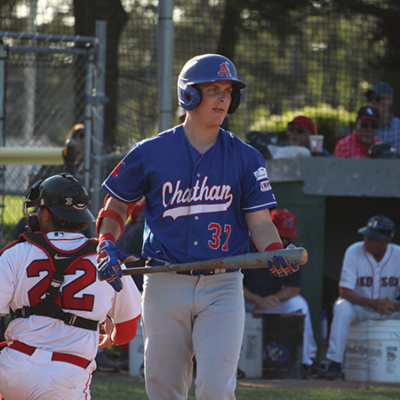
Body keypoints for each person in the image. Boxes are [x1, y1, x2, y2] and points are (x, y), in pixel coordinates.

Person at [95, 53, 299, 400]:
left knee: (216, 388)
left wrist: (274, 250)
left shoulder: (246, 157)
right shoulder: (152, 150)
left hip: (223, 283)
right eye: (213, 89)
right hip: (164, 281)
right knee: (162, 386)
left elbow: (260, 222)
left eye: (229, 91)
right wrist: (106, 242)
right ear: (188, 95)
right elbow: (116, 205)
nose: (223, 98)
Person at [0, 173, 141, 399]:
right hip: (65, 374)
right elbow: (127, 331)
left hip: (11, 368)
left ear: (45, 214)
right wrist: (107, 338)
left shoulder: (16, 252)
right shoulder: (105, 259)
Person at [242, 208, 318, 378]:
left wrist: (270, 299)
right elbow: (236, 284)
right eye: (280, 234)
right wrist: (257, 300)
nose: (283, 240)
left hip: (270, 301)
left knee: (299, 305)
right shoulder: (248, 244)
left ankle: (306, 362)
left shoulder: (291, 250)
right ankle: (236, 364)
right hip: (246, 300)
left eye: (286, 235)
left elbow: (293, 289)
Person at [324, 215, 400, 380]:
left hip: (389, 310)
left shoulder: (398, 255)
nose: (367, 241)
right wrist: (372, 303)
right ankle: (334, 362)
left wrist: (395, 306)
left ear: (387, 241)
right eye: (367, 236)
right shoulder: (354, 251)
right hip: (360, 308)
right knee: (342, 306)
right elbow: (344, 292)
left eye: (373, 238)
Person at [366, 82, 400, 151]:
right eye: (371, 98)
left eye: (377, 98)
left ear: (390, 101)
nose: (373, 101)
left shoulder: (398, 127)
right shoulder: (364, 127)